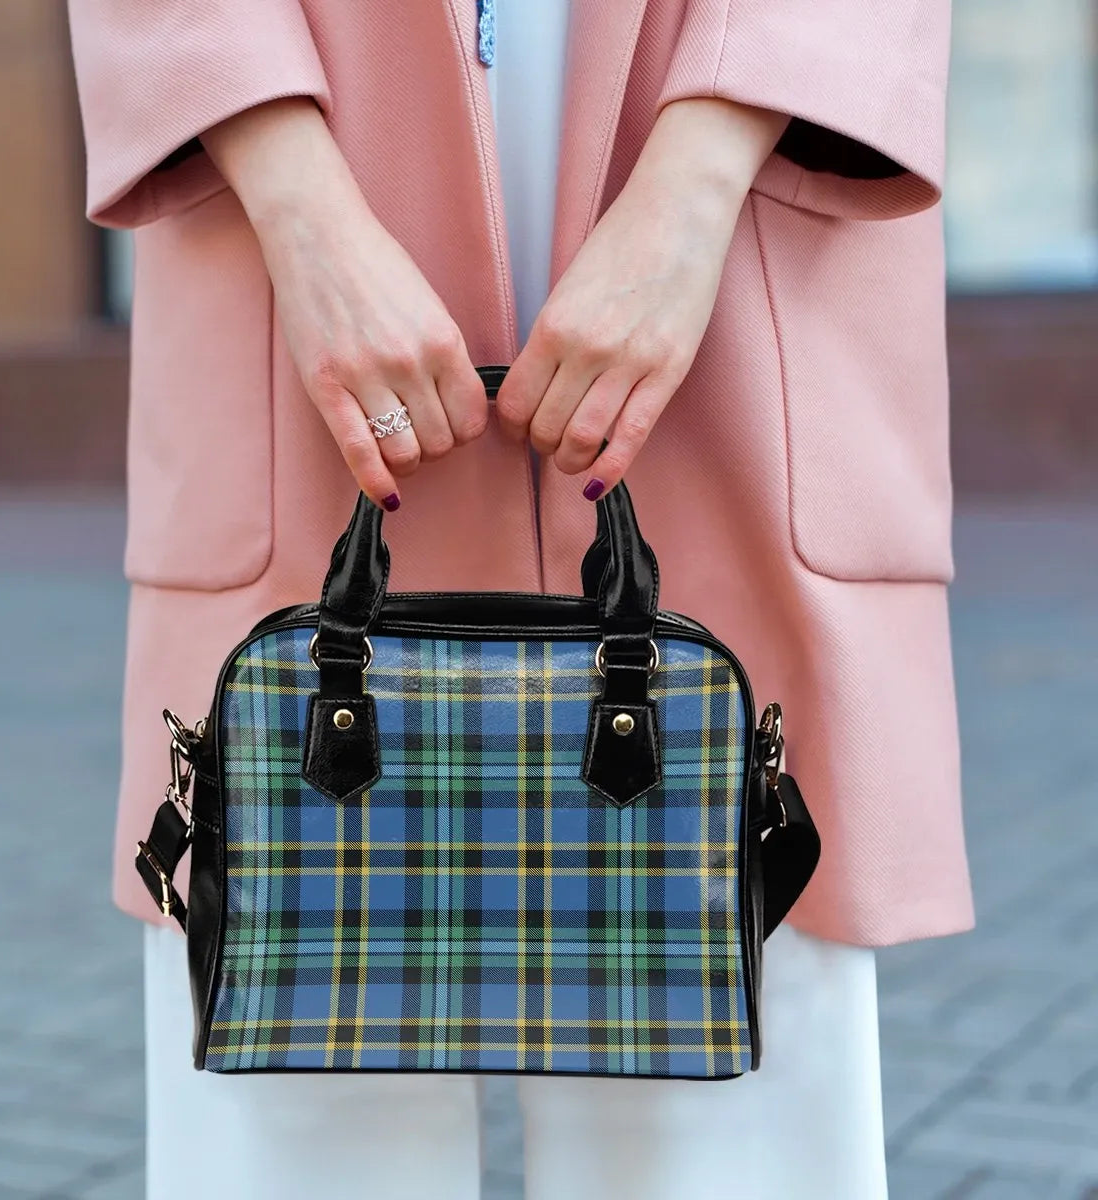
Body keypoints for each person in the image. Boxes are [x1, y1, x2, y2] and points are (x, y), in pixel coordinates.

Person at [68, 1, 973, 1197]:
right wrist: (298, 205)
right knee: (298, 1102)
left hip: (738, 191)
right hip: (288, 188)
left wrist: (699, 177)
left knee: (723, 1119)